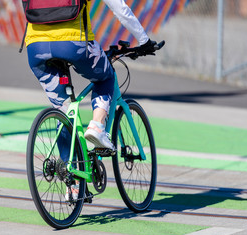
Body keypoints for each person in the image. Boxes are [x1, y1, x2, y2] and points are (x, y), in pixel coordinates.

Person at [25, 0, 156, 200]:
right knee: (106, 77)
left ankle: (72, 183)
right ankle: (97, 127)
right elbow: (119, 7)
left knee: (63, 111)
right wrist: (144, 40)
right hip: (72, 44)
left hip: (35, 49)